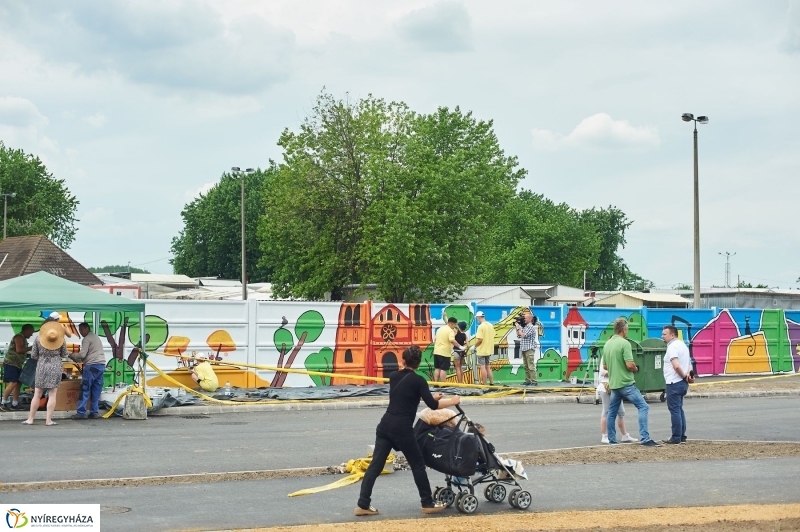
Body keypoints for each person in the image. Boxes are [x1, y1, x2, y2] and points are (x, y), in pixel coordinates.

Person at [356, 345, 460, 516]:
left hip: (384, 426)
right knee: (418, 465)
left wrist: (428, 396)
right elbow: (433, 406)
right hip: (402, 430)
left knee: (375, 465)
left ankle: (363, 504)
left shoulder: (394, 376)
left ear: (402, 360)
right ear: (419, 363)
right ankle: (427, 503)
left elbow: (406, 395)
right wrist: (452, 401)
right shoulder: (419, 381)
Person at [604, 317, 660, 446]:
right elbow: (629, 365)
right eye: (627, 329)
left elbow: (605, 366)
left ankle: (612, 440)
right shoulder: (625, 343)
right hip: (626, 382)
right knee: (643, 407)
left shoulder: (608, 344)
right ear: (624, 330)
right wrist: (635, 368)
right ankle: (645, 438)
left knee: (612, 413)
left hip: (614, 383)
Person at [22, 321, 68, 426]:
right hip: (55, 367)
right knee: (52, 394)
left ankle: (30, 419)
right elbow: (65, 354)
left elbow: (33, 355)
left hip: (41, 367)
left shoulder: (38, 339)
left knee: (37, 394)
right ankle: (48, 420)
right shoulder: (61, 340)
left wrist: (43, 358)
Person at [661, 325, 694, 444]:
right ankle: (682, 436)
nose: (662, 336)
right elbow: (689, 363)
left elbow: (676, 366)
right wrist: (689, 376)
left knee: (675, 410)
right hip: (682, 383)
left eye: (665, 334)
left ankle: (676, 437)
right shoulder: (683, 345)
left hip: (674, 382)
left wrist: (684, 376)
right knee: (679, 409)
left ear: (672, 335)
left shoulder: (672, 347)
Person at [66, 323, 107, 420]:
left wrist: (72, 355)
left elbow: (82, 355)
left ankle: (81, 412)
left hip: (91, 366)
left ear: (86, 328)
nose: (80, 332)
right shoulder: (95, 337)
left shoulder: (87, 339)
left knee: (84, 389)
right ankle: (94, 412)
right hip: (101, 366)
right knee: (96, 391)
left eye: (81, 330)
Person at [597, 353, 637, 444]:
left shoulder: (618, 356)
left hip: (616, 386)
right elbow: (603, 372)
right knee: (606, 411)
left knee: (621, 411)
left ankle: (625, 435)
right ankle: (604, 436)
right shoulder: (606, 356)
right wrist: (618, 371)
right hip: (605, 385)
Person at [1, 324, 34, 411]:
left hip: (17, 364)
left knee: (18, 383)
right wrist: (31, 348)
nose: (32, 334)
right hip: (11, 363)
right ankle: (3, 403)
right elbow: (19, 350)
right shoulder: (19, 337)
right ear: (26, 330)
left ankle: (14, 404)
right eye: (31, 332)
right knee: (13, 383)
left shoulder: (24, 338)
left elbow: (22, 351)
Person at [432, 317, 461, 383]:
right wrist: (460, 346)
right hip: (444, 352)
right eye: (455, 325)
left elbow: (435, 340)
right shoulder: (450, 330)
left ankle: (435, 383)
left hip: (436, 351)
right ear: (452, 324)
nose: (455, 326)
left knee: (437, 368)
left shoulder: (440, 329)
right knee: (443, 369)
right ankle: (444, 385)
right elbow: (452, 340)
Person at [515, 311, 538, 386]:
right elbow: (519, 336)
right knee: (526, 366)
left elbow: (524, 335)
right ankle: (527, 381)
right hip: (524, 348)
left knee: (530, 366)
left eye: (525, 318)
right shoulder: (525, 326)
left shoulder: (530, 327)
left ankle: (534, 381)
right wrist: (517, 328)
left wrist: (518, 329)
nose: (524, 319)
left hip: (529, 349)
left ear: (530, 319)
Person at [474, 311, 496, 386]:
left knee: (482, 367)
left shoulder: (481, 326)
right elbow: (493, 335)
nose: (477, 319)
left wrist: (474, 346)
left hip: (481, 350)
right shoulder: (490, 325)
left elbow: (480, 339)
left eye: (477, 318)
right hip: (489, 350)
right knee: (488, 367)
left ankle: (484, 384)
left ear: (479, 317)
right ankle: (492, 383)